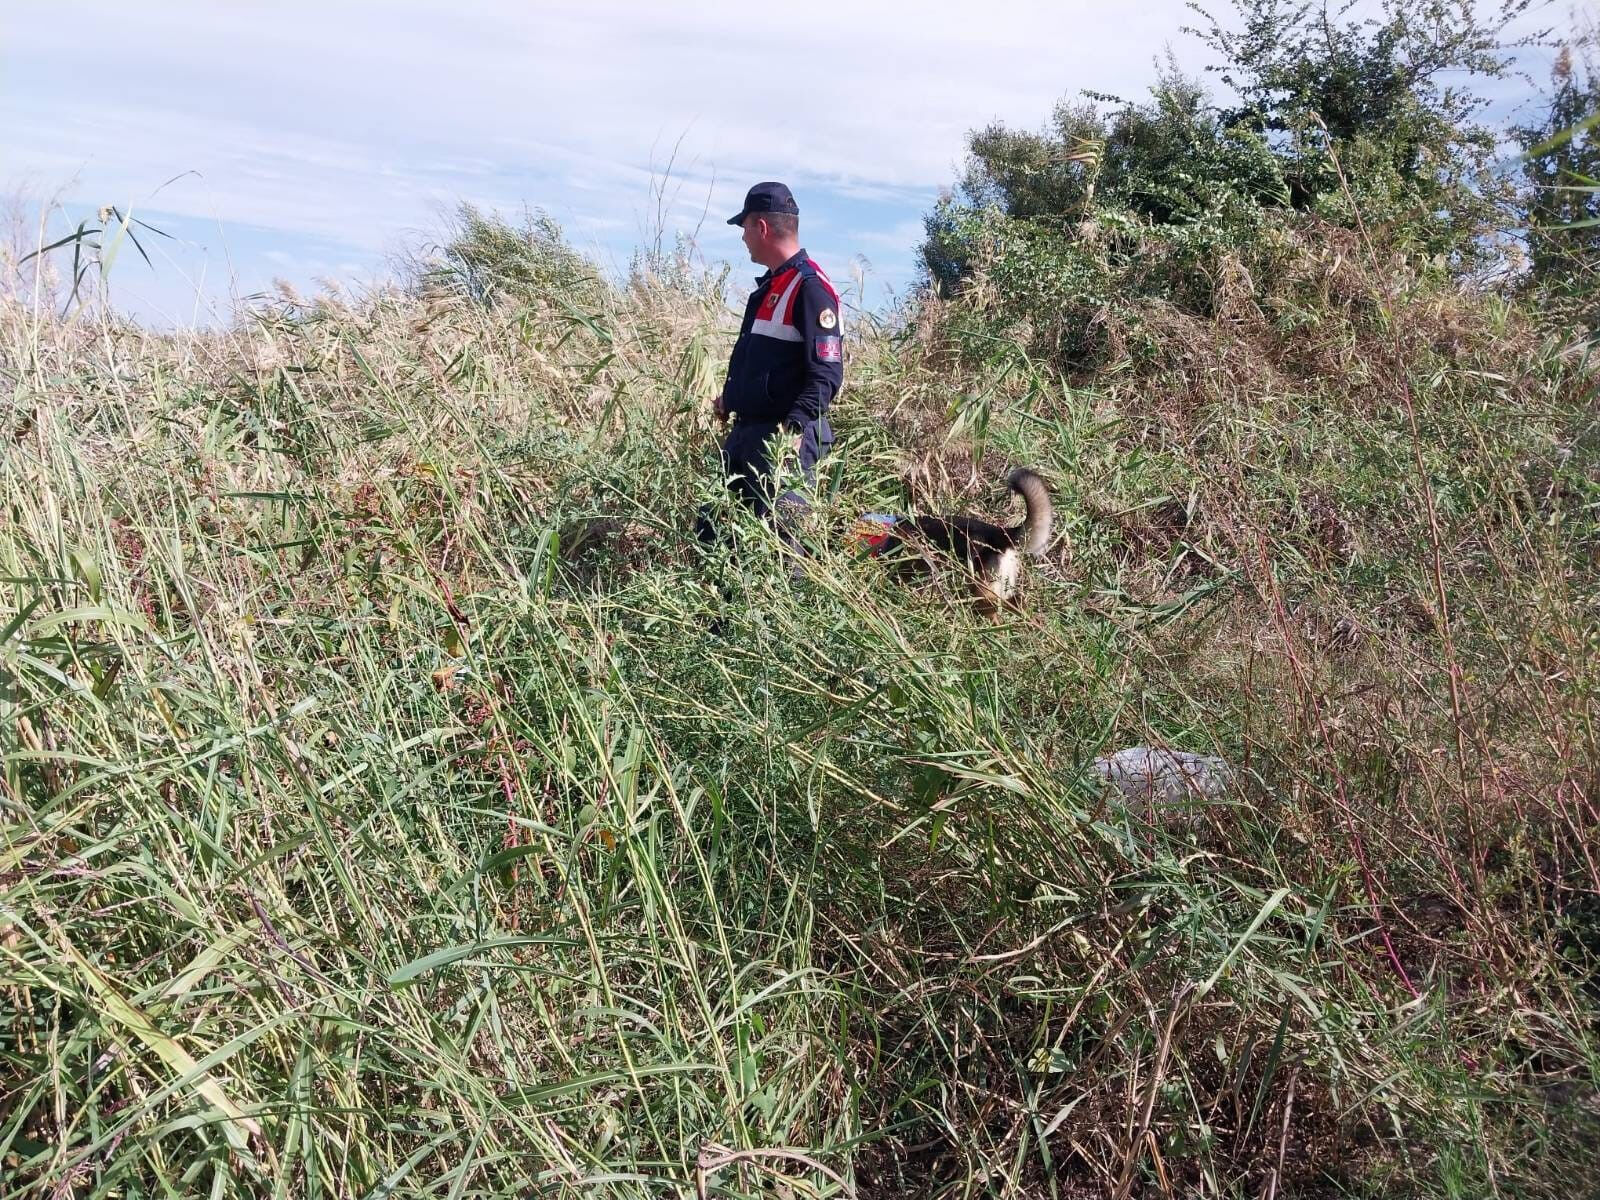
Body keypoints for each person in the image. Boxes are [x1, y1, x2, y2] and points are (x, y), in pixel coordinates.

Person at [696, 182, 842, 551]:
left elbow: (827, 374)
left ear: (761, 227)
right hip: (748, 436)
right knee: (713, 537)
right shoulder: (774, 286)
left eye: (743, 227)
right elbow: (769, 365)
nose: (743, 237)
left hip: (782, 443)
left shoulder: (810, 288)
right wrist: (732, 398)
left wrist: (790, 430)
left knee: (777, 554)